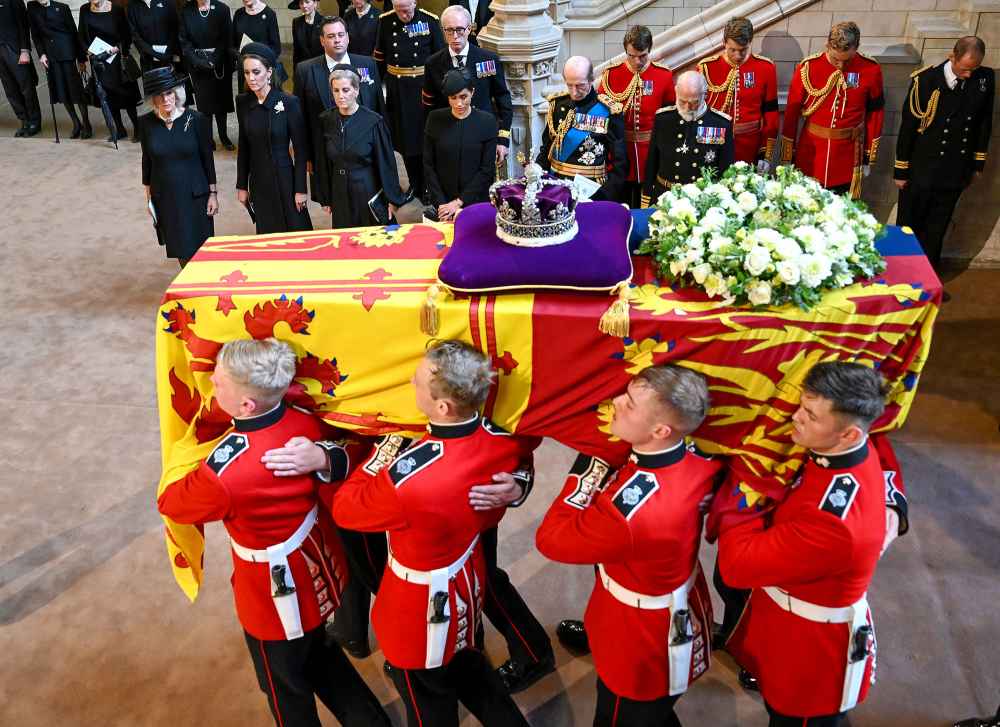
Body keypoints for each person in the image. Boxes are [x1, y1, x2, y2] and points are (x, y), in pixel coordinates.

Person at [157, 337, 393, 727]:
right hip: (318, 569)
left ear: (246, 405)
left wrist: (191, 446)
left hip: (270, 596)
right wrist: (324, 457)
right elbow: (354, 447)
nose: (211, 384)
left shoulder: (225, 472)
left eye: (219, 382)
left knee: (285, 690)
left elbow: (172, 503)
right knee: (323, 658)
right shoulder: (303, 420)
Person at [330, 339, 534, 727]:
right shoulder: (499, 441)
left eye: (419, 379)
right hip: (465, 584)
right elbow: (520, 460)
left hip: (415, 606)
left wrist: (383, 453)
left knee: (428, 706)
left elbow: (345, 509)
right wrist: (521, 484)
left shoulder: (409, 480)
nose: (411, 380)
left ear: (443, 407)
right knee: (475, 675)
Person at [538, 365, 721, 727]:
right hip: (676, 599)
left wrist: (589, 468)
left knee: (620, 716)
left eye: (631, 404)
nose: (617, 402)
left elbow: (551, 541)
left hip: (639, 634)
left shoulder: (629, 514)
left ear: (660, 430)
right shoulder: (703, 460)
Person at [717, 361, 890, 726]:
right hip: (790, 619)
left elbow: (736, 565)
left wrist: (745, 485)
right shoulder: (848, 451)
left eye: (810, 415)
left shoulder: (834, 525)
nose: (794, 418)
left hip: (810, 653)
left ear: (849, 436)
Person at [894, 36, 994, 271]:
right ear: (953, 56)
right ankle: (900, 276)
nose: (970, 74)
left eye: (975, 68)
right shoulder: (925, 80)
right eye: (966, 68)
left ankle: (927, 278)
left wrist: (977, 163)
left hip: (955, 169)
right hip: (922, 168)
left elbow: (983, 123)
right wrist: (901, 169)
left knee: (937, 227)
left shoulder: (985, 78)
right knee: (909, 225)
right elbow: (908, 128)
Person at [780, 21, 884, 199]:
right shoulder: (808, 67)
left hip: (848, 157)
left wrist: (868, 157)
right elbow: (792, 113)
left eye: (847, 60)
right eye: (836, 59)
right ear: (827, 46)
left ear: (857, 48)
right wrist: (788, 156)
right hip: (811, 153)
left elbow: (875, 115)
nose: (841, 66)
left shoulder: (871, 69)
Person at [294, 16, 383, 204]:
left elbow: (378, 109)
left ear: (348, 38)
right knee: (337, 206)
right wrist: (307, 157)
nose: (337, 40)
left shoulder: (367, 64)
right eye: (331, 36)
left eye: (341, 35)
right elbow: (300, 120)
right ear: (322, 40)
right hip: (328, 155)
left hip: (365, 153)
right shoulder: (305, 71)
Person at [139, 66, 216, 266]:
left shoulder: (196, 119)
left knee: (203, 249)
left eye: (169, 93)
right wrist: (149, 198)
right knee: (181, 247)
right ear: (152, 99)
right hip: (166, 197)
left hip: (195, 196)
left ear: (177, 92)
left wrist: (213, 194)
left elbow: (207, 159)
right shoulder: (146, 123)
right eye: (159, 95)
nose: (166, 99)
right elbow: (147, 159)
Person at [422, 5, 511, 168]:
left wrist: (502, 139)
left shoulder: (487, 60)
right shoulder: (433, 64)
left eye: (460, 30)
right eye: (449, 31)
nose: (455, 36)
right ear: (443, 31)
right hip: (448, 139)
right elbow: (429, 108)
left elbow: (503, 99)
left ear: (469, 29)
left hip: (483, 136)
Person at [236, 43, 312, 234]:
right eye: (246, 73)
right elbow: (244, 147)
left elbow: (301, 151)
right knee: (269, 236)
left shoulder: (289, 102)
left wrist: (301, 189)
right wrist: (241, 185)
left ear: (269, 72)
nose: (251, 78)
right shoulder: (243, 103)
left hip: (286, 179)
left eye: (256, 71)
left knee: (296, 234)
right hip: (259, 181)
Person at [373, 0, 444, 200]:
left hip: (424, 88)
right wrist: (376, 91)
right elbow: (379, 59)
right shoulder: (385, 22)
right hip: (398, 91)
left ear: (415, 2)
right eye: (399, 11)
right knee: (405, 143)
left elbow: (439, 58)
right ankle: (414, 184)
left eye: (407, 10)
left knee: (426, 140)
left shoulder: (429, 21)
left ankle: (429, 185)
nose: (404, 15)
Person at [597, 25, 675, 208]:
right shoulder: (611, 75)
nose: (637, 62)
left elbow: (670, 115)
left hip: (650, 149)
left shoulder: (663, 76)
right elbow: (601, 112)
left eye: (643, 56)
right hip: (620, 151)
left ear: (650, 50)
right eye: (632, 56)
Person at [317, 68, 405, 228]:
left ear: (356, 91)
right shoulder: (325, 120)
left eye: (346, 90)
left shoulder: (374, 121)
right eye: (336, 90)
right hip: (339, 191)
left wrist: (392, 199)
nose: (341, 95)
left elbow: (387, 164)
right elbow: (323, 162)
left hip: (367, 189)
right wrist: (325, 196)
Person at [537, 55, 626, 202]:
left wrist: (603, 196)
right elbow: (546, 149)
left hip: (591, 191)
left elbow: (619, 164)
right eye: (569, 85)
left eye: (580, 85)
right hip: (556, 188)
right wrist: (537, 175)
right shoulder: (557, 105)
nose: (574, 92)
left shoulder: (609, 111)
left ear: (592, 80)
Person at [642, 71, 734, 206]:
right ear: (676, 92)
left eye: (694, 102)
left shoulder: (720, 123)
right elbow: (652, 161)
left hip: (701, 199)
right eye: (682, 101)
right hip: (665, 195)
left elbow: (725, 169)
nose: (687, 107)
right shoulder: (663, 119)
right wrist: (647, 196)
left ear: (705, 95)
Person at [698, 16, 778, 169]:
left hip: (750, 145)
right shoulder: (706, 68)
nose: (737, 56)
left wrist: (765, 154)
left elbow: (771, 116)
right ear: (724, 43)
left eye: (743, 50)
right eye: (732, 49)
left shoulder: (766, 68)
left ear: (750, 42)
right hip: (712, 143)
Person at [423, 69, 497, 222]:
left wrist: (458, 203)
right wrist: (442, 204)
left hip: (476, 202)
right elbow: (428, 165)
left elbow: (486, 170)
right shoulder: (434, 119)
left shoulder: (487, 121)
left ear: (472, 92)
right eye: (453, 98)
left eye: (464, 97)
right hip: (442, 205)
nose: (459, 103)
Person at [27, 0, 92, 139]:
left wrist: (81, 59)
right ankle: (76, 123)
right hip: (51, 57)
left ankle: (86, 123)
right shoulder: (32, 8)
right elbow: (36, 34)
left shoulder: (62, 8)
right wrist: (41, 54)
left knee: (76, 91)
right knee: (61, 92)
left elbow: (74, 33)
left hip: (67, 54)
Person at [78, 0, 141, 142]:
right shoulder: (84, 10)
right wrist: (88, 52)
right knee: (108, 96)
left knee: (127, 96)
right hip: (99, 61)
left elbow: (126, 35)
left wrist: (117, 49)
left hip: (117, 59)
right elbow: (81, 35)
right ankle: (119, 130)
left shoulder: (116, 9)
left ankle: (138, 128)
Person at [178, 0, 235, 150]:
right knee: (204, 105)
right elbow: (184, 41)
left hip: (220, 63)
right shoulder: (186, 10)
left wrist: (214, 60)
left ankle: (224, 137)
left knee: (221, 103)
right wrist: (198, 61)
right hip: (197, 65)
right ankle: (208, 139)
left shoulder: (222, 9)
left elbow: (226, 38)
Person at [0, 0, 41, 136]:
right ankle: (24, 120)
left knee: (26, 88)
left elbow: (23, 25)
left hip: (15, 50)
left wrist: (25, 50)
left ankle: (34, 120)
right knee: (10, 89)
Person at [231, 0, 282, 92]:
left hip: (262, 71)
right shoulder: (239, 14)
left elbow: (276, 48)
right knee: (246, 103)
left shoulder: (269, 14)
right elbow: (232, 44)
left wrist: (260, 61)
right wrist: (240, 57)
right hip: (244, 70)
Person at [126, 0, 178, 72]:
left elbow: (175, 27)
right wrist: (153, 53)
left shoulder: (167, 1)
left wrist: (169, 50)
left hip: (171, 55)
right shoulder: (131, 7)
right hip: (148, 59)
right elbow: (135, 36)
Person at [289, 0, 323, 70]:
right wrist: (295, 69)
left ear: (315, 3)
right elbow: (296, 49)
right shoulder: (296, 22)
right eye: (301, 3)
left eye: (307, 2)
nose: (304, 5)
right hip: (303, 66)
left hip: (320, 66)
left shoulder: (324, 21)